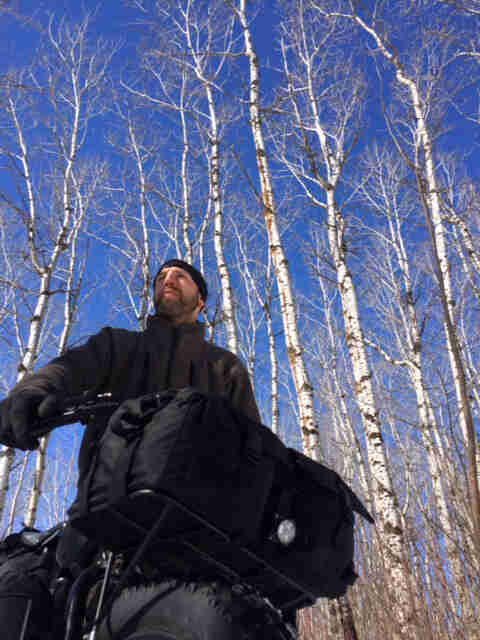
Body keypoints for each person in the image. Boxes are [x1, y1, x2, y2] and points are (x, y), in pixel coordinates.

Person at [0, 259, 260, 459]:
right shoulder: (117, 344)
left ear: (201, 301)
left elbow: (255, 445)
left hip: (205, 514)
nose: (167, 281)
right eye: (161, 278)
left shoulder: (225, 366)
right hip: (107, 506)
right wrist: (31, 392)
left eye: (179, 276)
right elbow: (69, 369)